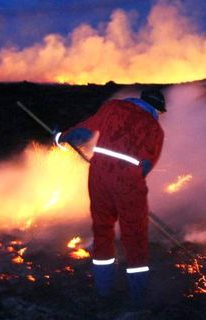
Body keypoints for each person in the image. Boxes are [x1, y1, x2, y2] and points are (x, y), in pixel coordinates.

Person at [55, 89, 166, 305]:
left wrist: (60, 138)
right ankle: (138, 295)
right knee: (134, 235)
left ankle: (103, 290)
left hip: (98, 174)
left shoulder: (113, 108)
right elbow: (146, 165)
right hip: (128, 182)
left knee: (102, 230)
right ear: (155, 108)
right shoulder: (154, 128)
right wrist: (128, 182)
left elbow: (83, 132)